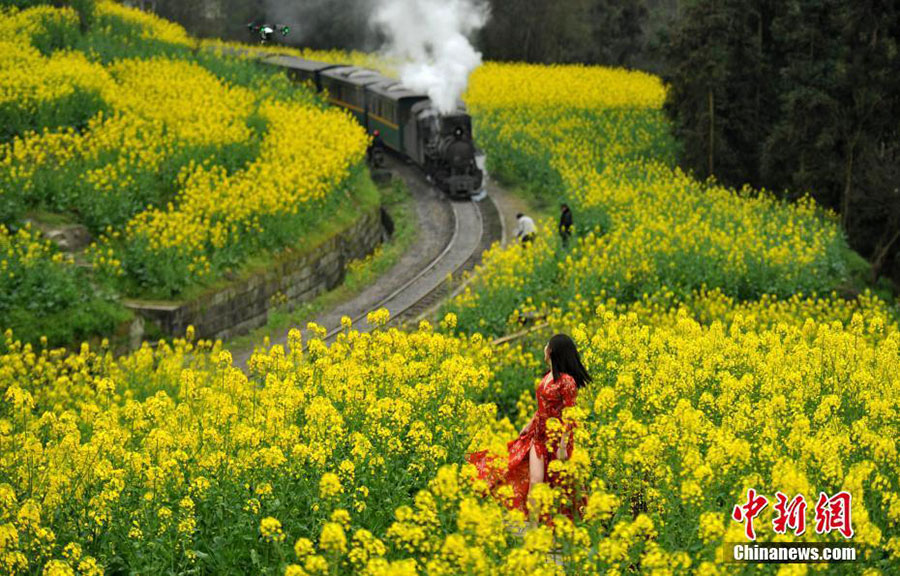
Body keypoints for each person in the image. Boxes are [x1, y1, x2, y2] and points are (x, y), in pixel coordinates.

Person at [466, 334, 592, 524]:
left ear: (552, 351)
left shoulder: (567, 381)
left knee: (562, 485)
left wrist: (563, 445)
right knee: (535, 480)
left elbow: (570, 414)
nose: (544, 348)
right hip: (538, 436)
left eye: (547, 345)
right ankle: (532, 527)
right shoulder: (548, 376)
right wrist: (529, 423)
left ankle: (575, 522)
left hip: (557, 439)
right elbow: (543, 407)